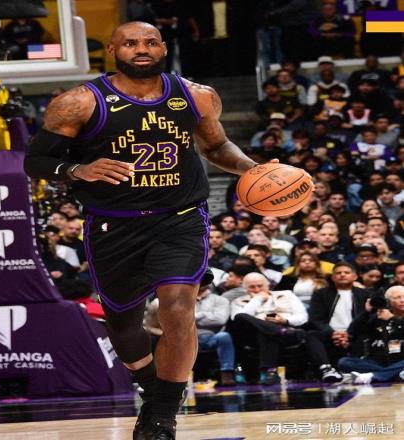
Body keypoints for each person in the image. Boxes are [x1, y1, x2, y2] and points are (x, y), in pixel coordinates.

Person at [24, 21, 265, 440]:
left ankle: (162, 414)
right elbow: (36, 162)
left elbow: (215, 147)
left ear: (163, 48)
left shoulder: (197, 95)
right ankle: (152, 388)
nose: (141, 49)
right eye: (130, 43)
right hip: (113, 224)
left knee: (178, 307)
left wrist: (253, 168)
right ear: (112, 50)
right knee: (123, 324)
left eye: (150, 42)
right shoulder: (78, 103)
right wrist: (78, 169)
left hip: (179, 218)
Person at [227, 272, 308, 385]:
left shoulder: (287, 294)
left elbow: (303, 317)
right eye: (252, 287)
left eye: (260, 286)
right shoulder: (238, 302)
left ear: (268, 285)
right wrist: (257, 300)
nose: (257, 289)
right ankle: (278, 332)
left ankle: (269, 373)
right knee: (240, 317)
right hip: (255, 337)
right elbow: (238, 320)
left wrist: (285, 320)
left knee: (266, 332)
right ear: (245, 289)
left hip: (287, 331)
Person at [305, 262, 371, 383]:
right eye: (338, 273)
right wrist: (333, 333)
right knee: (311, 335)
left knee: (367, 334)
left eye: (346, 272)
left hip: (355, 333)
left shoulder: (365, 294)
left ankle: (360, 368)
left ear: (355, 276)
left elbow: (367, 318)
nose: (342, 275)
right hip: (329, 333)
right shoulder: (321, 294)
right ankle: (326, 369)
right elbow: (315, 318)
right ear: (332, 277)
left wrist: (349, 334)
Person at [338, 286, 404, 384]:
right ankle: (394, 374)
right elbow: (353, 331)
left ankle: (374, 376)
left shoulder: (389, 316)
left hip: (401, 360)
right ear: (388, 301)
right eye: (397, 297)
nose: (402, 300)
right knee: (344, 362)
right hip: (378, 362)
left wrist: (392, 319)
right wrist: (366, 312)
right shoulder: (378, 316)